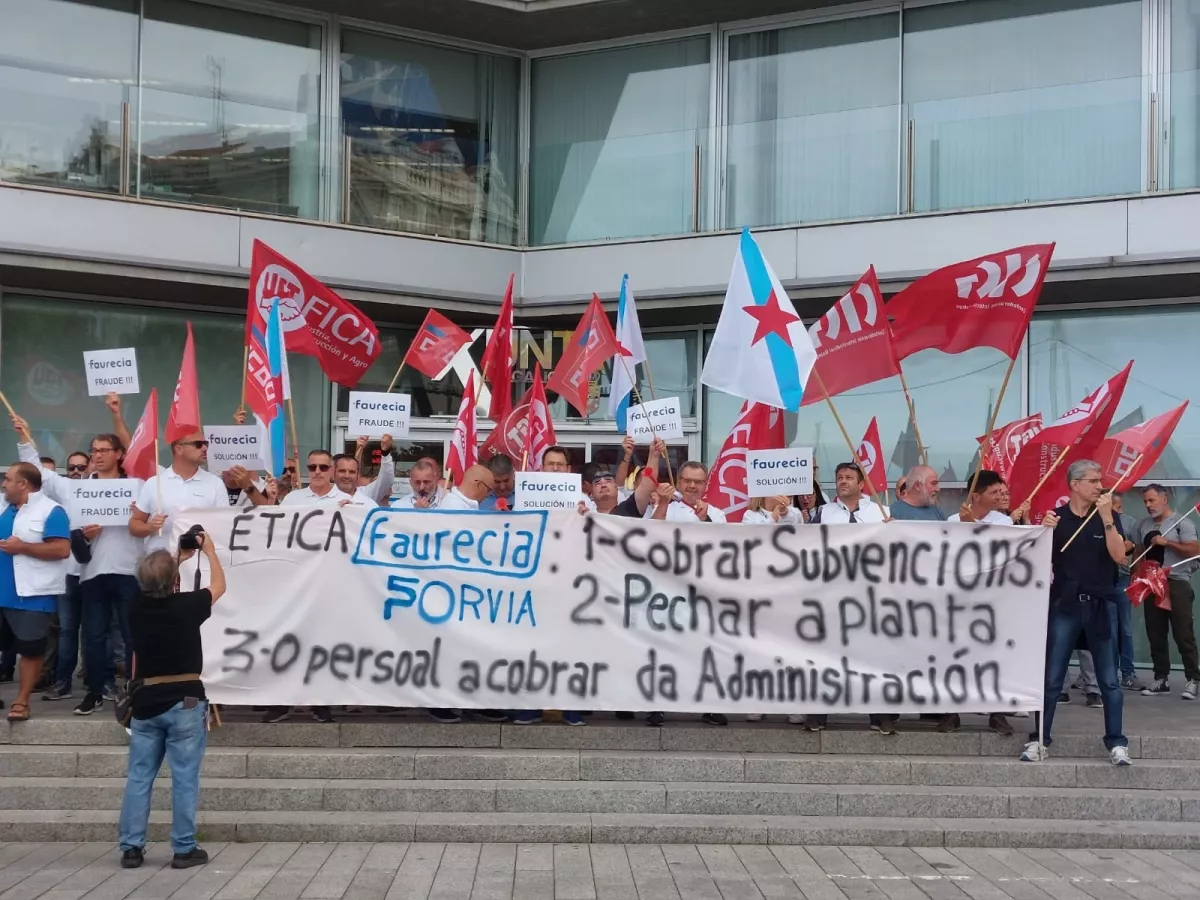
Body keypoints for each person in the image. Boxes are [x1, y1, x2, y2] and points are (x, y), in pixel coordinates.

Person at [15, 419, 146, 716]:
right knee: (94, 635)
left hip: (129, 570)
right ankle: (95, 692)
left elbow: (151, 515)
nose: (97, 455)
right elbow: (43, 476)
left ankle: (137, 691)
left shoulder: (136, 486)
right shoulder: (78, 489)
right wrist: (25, 438)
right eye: (94, 450)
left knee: (131, 635)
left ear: (119, 454)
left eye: (104, 450)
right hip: (92, 572)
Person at [118, 539, 225, 870]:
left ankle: (132, 848)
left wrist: (176, 558)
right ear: (174, 582)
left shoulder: (135, 608)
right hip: (186, 700)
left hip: (147, 700)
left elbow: (155, 582)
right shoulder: (187, 606)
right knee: (184, 777)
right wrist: (208, 552)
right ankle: (183, 848)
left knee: (139, 776)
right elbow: (219, 586)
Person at [1021, 459, 1130, 766]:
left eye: (1100, 481)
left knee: (1109, 679)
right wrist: (1042, 532)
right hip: (1065, 606)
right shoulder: (1059, 519)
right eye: (1094, 481)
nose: (1100, 486)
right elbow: (1037, 560)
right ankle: (1040, 738)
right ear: (1075, 485)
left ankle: (1116, 741)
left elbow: (1120, 556)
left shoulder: (1106, 516)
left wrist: (1108, 518)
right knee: (1053, 678)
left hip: (1100, 605)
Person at [262, 450, 351, 724]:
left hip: (332, 584)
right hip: (297, 583)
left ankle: (320, 702)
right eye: (312, 466)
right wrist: (269, 502)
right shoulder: (293, 499)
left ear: (333, 470)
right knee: (290, 641)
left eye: (324, 467)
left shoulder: (350, 502)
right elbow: (276, 534)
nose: (317, 471)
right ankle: (283, 700)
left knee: (322, 643)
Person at [805, 463, 894, 734]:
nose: (842, 482)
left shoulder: (881, 512)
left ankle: (879, 714)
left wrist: (894, 531)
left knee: (873, 654)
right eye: (839, 477)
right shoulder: (823, 513)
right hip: (832, 593)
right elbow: (807, 547)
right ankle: (818, 713)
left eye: (848, 478)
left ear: (861, 484)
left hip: (870, 594)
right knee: (826, 653)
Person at [945, 469, 1016, 736]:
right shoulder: (953, 520)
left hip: (992, 600)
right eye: (993, 492)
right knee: (956, 655)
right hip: (959, 600)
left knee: (992, 656)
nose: (1000, 496)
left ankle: (996, 713)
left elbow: (995, 554)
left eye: (1000, 491)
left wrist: (972, 526)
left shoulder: (1004, 522)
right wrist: (964, 526)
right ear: (976, 495)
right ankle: (951, 712)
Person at [0, 462, 72, 721]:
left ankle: (21, 701)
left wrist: (24, 547)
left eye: (8, 479)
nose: (4, 484)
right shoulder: (4, 507)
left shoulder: (51, 511)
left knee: (31, 650)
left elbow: (62, 550)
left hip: (31, 595)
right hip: (2, 591)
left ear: (24, 484)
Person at [1137, 484, 1200, 699]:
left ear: (1165, 499)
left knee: (1183, 633)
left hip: (1176, 582)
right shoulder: (1143, 525)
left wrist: (1168, 543)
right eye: (1145, 501)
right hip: (1152, 584)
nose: (1148, 505)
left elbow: (1195, 549)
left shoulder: (1183, 522)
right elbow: (1139, 553)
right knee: (1155, 632)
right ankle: (1160, 678)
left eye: (1152, 500)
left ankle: (1193, 679)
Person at [129, 432, 227, 553]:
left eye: (205, 444)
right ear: (179, 449)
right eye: (198, 444)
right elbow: (134, 525)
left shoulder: (215, 484)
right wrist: (151, 527)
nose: (204, 448)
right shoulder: (154, 483)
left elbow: (224, 526)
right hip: (162, 564)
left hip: (200, 564)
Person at [1112, 494, 1144, 691]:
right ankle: (1091, 674)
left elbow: (1138, 552)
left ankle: (1127, 672)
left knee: (1124, 629)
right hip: (1099, 581)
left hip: (1122, 580)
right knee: (1098, 628)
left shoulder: (1130, 523)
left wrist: (1135, 578)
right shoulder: (1092, 521)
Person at [333, 435, 394, 506]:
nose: (347, 476)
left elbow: (386, 480)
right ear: (333, 472)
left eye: (352, 472)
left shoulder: (367, 494)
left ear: (357, 475)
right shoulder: (323, 495)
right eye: (342, 471)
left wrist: (385, 453)